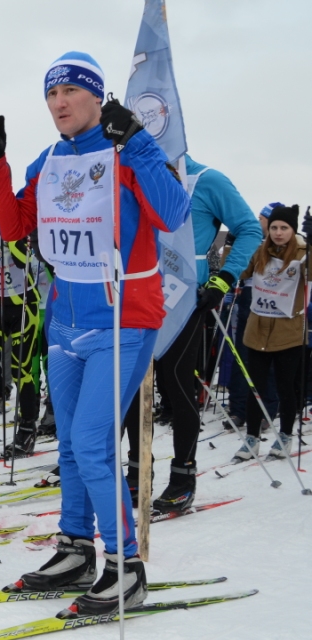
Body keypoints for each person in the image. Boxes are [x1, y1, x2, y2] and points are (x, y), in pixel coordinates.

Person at [0, 52, 191, 614]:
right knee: (70, 445)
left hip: (122, 320)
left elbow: (173, 213)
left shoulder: (126, 153)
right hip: (63, 320)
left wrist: (141, 141)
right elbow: (13, 227)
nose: (59, 103)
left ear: (97, 97)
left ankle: (127, 566)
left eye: (71, 91)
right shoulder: (47, 161)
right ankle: (76, 549)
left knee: (94, 444)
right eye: (51, 94)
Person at [124, 156, 262, 511]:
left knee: (178, 386)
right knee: (130, 388)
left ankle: (183, 478)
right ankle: (138, 472)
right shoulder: (129, 168)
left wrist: (223, 279)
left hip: (183, 300)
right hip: (135, 295)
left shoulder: (205, 178)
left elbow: (249, 228)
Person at [232, 205, 309, 462]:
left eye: (284, 228)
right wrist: (233, 249)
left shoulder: (303, 253)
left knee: (286, 387)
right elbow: (240, 271)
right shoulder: (260, 250)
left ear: (292, 230)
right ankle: (252, 438)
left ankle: (285, 434)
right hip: (257, 330)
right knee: (256, 387)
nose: (278, 232)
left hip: (288, 332)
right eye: (274, 227)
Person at [0, 238, 41, 458]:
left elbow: (22, 260)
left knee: (21, 369)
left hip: (24, 305)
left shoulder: (19, 227)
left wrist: (8, 234)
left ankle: (27, 427)